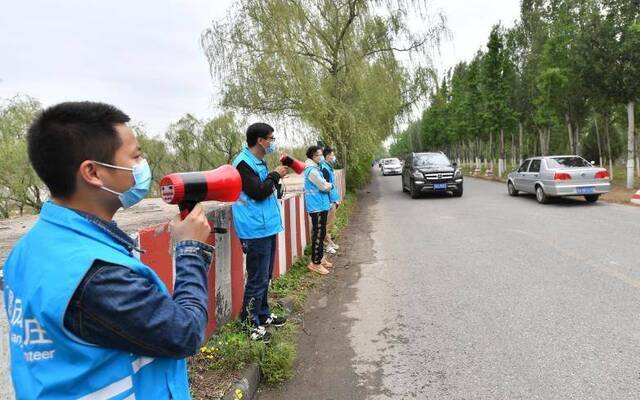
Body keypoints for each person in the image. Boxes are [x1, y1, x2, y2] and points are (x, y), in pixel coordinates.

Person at [3, 102, 213, 399]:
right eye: (136, 156)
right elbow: (185, 333)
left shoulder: (29, 249)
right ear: (92, 172)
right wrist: (190, 249)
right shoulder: (97, 275)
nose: (142, 167)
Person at [232, 123, 288, 343]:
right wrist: (274, 175)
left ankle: (263, 315)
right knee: (256, 278)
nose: (272, 143)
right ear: (260, 140)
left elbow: (266, 188)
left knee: (265, 276)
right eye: (271, 139)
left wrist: (273, 178)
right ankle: (249, 323)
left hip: (266, 226)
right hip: (255, 228)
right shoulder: (243, 163)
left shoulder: (257, 161)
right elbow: (257, 192)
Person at [303, 146, 334, 275]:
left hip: (321, 205)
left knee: (321, 233)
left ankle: (320, 258)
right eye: (319, 155)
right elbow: (323, 186)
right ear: (312, 157)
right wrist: (330, 185)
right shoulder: (312, 171)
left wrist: (327, 184)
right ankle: (315, 263)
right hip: (317, 207)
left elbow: (324, 184)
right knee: (318, 234)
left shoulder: (316, 169)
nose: (321, 157)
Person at [319, 147, 341, 254]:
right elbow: (326, 187)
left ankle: (329, 242)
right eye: (332, 155)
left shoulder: (328, 167)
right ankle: (326, 245)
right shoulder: (324, 169)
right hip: (329, 201)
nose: (333, 157)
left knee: (330, 223)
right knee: (327, 224)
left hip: (332, 199)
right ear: (327, 156)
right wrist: (331, 201)